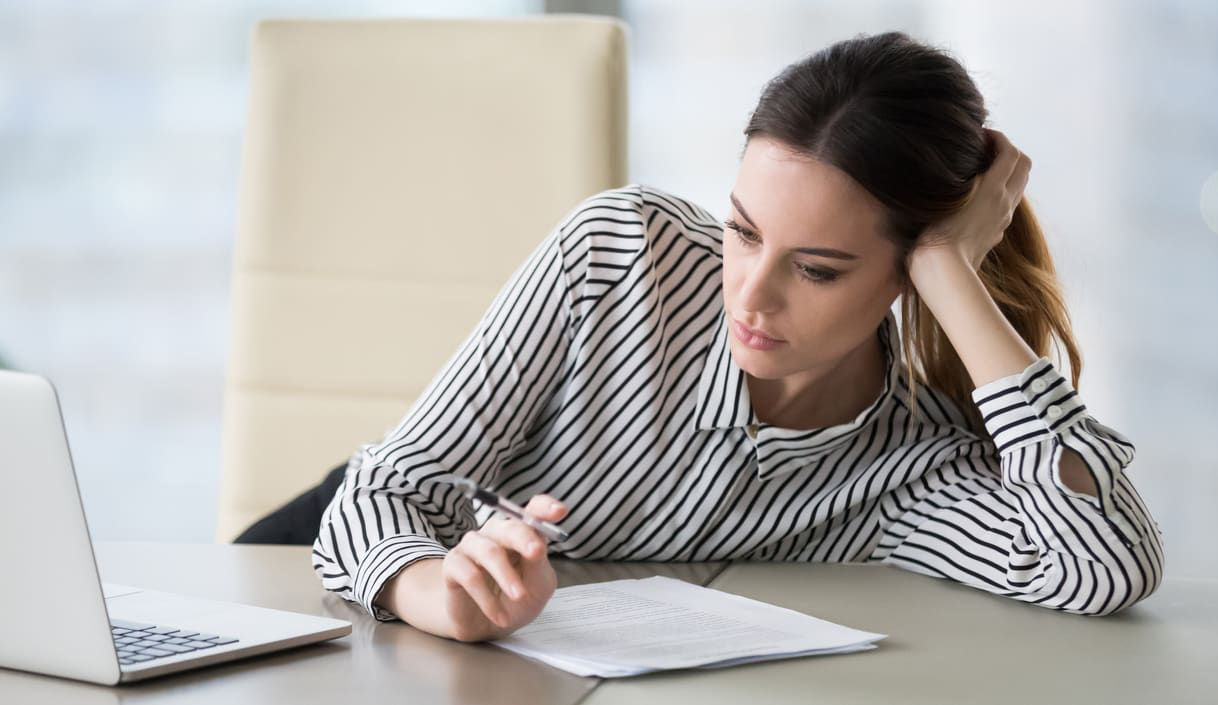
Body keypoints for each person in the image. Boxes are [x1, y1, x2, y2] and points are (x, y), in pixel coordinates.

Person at [303, 30, 1164, 642]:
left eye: (817, 269)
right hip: (363, 584)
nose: (750, 295)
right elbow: (376, 497)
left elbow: (1103, 566)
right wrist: (437, 595)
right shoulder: (620, 254)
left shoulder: (913, 468)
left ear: (906, 273)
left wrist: (949, 271)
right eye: (743, 231)